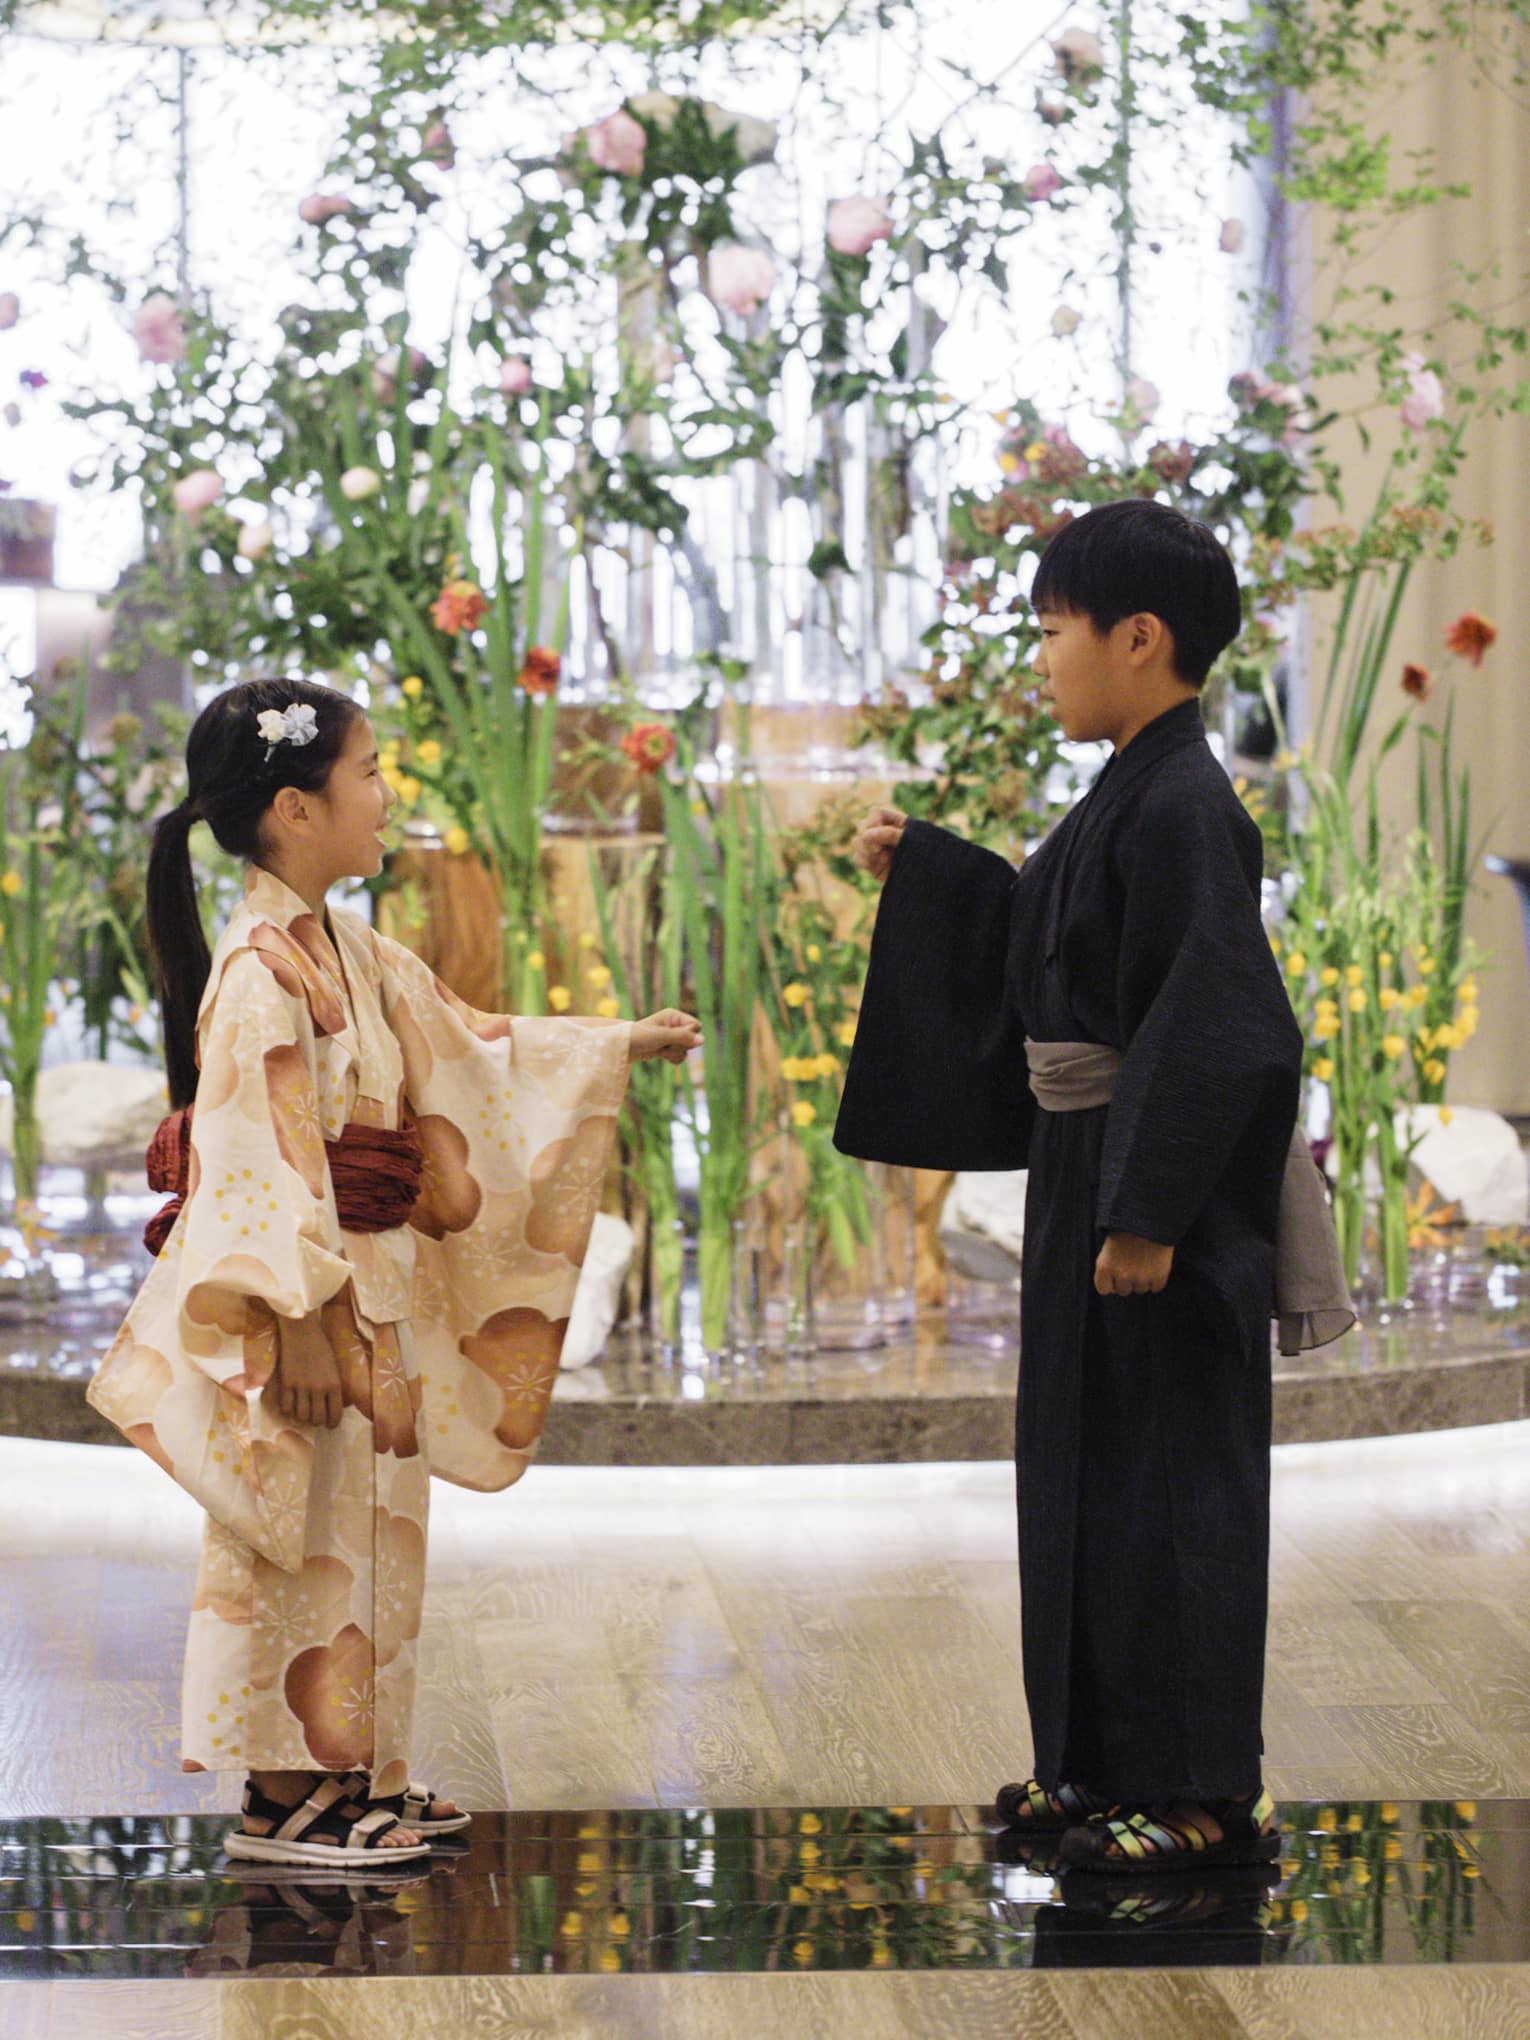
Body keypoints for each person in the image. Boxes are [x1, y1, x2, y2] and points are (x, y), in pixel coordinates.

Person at [89, 678, 702, 1870]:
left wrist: (610, 1046)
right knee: (294, 1537)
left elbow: (463, 1044)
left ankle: (356, 1764)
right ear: (295, 808)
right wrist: (307, 1325)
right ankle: (282, 1792)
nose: (386, 796)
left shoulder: (343, 948)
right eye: (368, 773)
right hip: (306, 1308)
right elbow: (256, 1164)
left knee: (365, 1537)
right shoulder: (263, 972)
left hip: (367, 1299)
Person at [835, 499, 1312, 1873]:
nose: (1039, 661)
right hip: (1087, 1176)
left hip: (1150, 1198)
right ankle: (1095, 1767)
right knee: (1086, 1476)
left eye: (1051, 634)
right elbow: (1062, 937)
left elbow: (1215, 1018)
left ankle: (1199, 1793)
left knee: (1168, 1485)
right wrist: (929, 869)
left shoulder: (1183, 803)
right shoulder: (1130, 785)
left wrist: (1149, 1212)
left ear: (1139, 637)